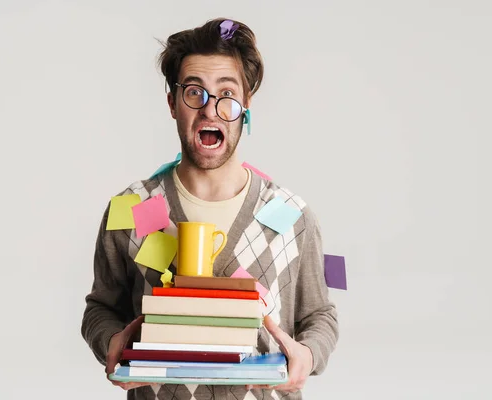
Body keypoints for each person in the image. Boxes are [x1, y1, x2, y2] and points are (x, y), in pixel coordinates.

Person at [81, 17, 339, 400]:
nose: (210, 109)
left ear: (246, 105)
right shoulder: (130, 209)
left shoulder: (292, 216)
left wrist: (309, 353)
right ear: (172, 103)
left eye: (227, 94)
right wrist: (111, 341)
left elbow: (320, 315)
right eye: (194, 93)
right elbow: (100, 307)